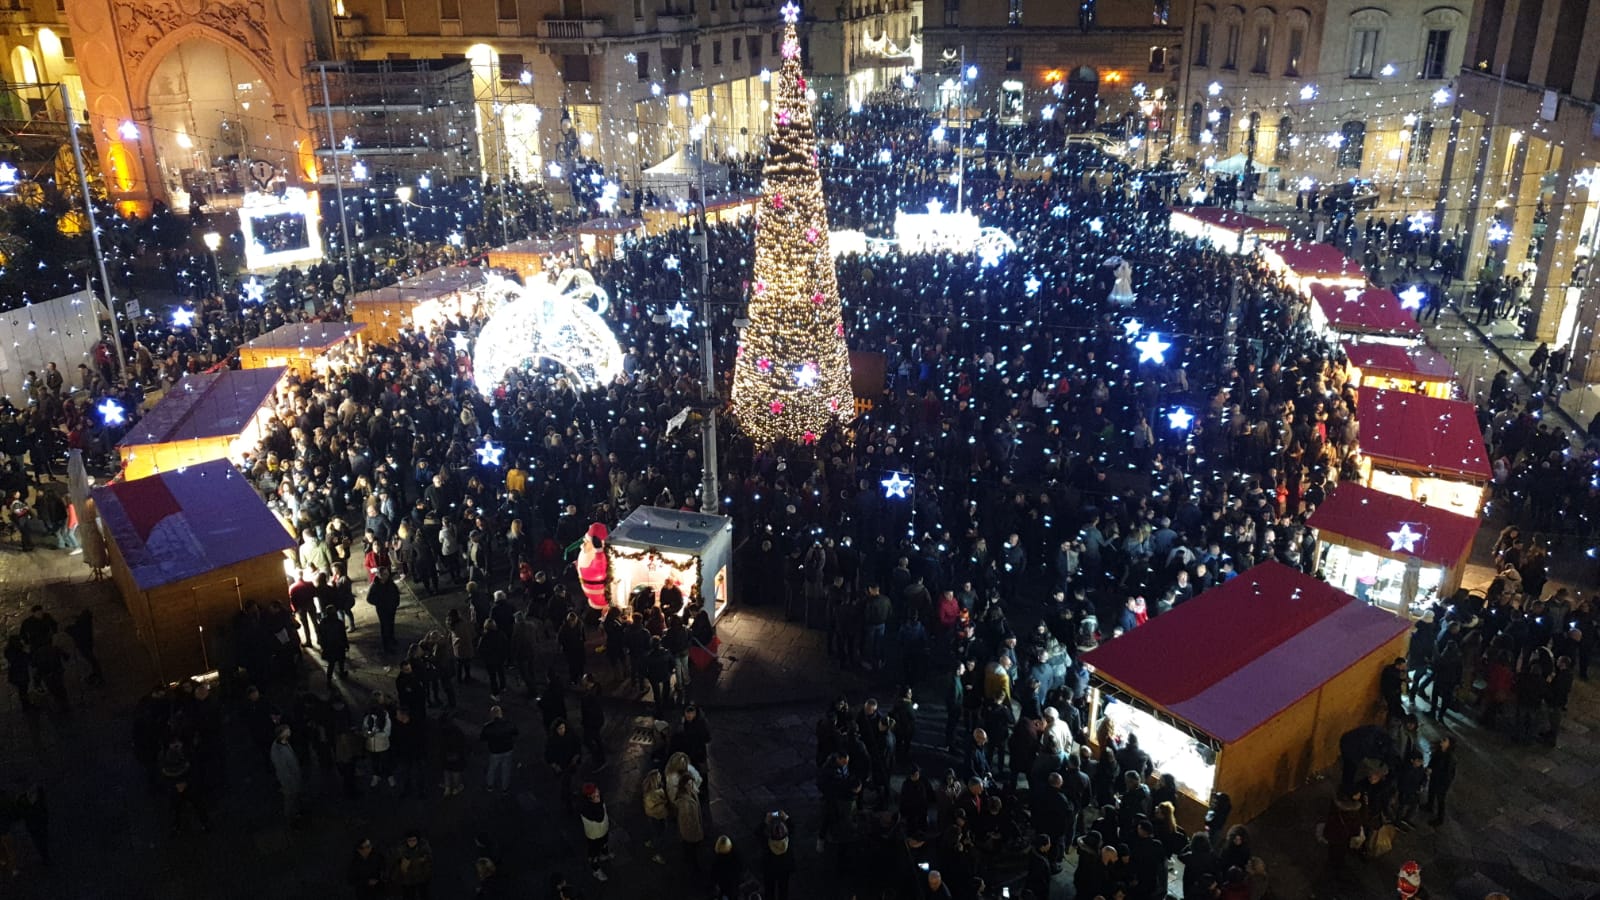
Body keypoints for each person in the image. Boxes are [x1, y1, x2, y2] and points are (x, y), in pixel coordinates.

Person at [269, 724, 303, 825]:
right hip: (288, 780)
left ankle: (295, 813)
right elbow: (282, 769)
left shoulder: (284, 743)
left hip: (293, 777)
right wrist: (288, 781)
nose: (289, 732)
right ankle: (290, 818)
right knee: (289, 799)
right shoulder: (278, 750)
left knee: (294, 797)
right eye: (287, 730)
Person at [480, 705, 518, 794]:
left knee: (492, 768)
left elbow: (482, 738)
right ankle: (505, 788)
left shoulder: (488, 727)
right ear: (501, 714)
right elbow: (516, 732)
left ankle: (490, 785)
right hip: (508, 749)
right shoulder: (509, 724)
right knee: (506, 769)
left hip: (494, 751)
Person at [579, 783, 612, 881]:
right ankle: (596, 870)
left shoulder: (597, 797)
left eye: (596, 789)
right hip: (594, 834)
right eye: (595, 792)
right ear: (590, 796)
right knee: (593, 852)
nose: (598, 791)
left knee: (604, 842)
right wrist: (597, 803)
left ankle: (604, 854)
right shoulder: (585, 807)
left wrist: (597, 800)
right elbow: (599, 817)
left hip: (603, 829)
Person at [391, 831, 434, 900]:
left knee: (424, 895)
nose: (412, 842)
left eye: (414, 840)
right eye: (409, 840)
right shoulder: (401, 850)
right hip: (407, 880)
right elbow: (397, 865)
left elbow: (428, 865)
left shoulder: (423, 849)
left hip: (421, 879)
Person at [368, 569, 402, 653]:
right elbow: (369, 598)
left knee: (391, 624)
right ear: (380, 576)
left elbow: (396, 592)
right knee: (385, 626)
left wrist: (396, 603)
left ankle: (392, 638)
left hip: (391, 608)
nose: (387, 575)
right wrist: (380, 603)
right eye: (385, 574)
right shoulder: (375, 585)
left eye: (387, 573)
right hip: (382, 610)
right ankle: (386, 646)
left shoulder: (390, 583)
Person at [1425, 735, 1456, 826]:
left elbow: (1448, 774)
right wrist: (1430, 768)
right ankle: (1429, 805)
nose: (1442, 741)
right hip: (1434, 777)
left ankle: (1440, 818)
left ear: (1449, 744)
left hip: (1442, 782)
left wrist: (1433, 771)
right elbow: (1433, 761)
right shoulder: (1439, 751)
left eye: (1445, 740)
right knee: (1431, 791)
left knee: (1440, 799)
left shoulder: (1450, 758)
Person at [318, 608, 350, 685]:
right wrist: (346, 644)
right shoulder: (339, 623)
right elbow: (343, 635)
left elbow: (321, 636)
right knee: (340, 661)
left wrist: (323, 646)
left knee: (331, 664)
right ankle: (341, 673)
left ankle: (329, 680)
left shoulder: (323, 623)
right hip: (339, 646)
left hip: (330, 647)